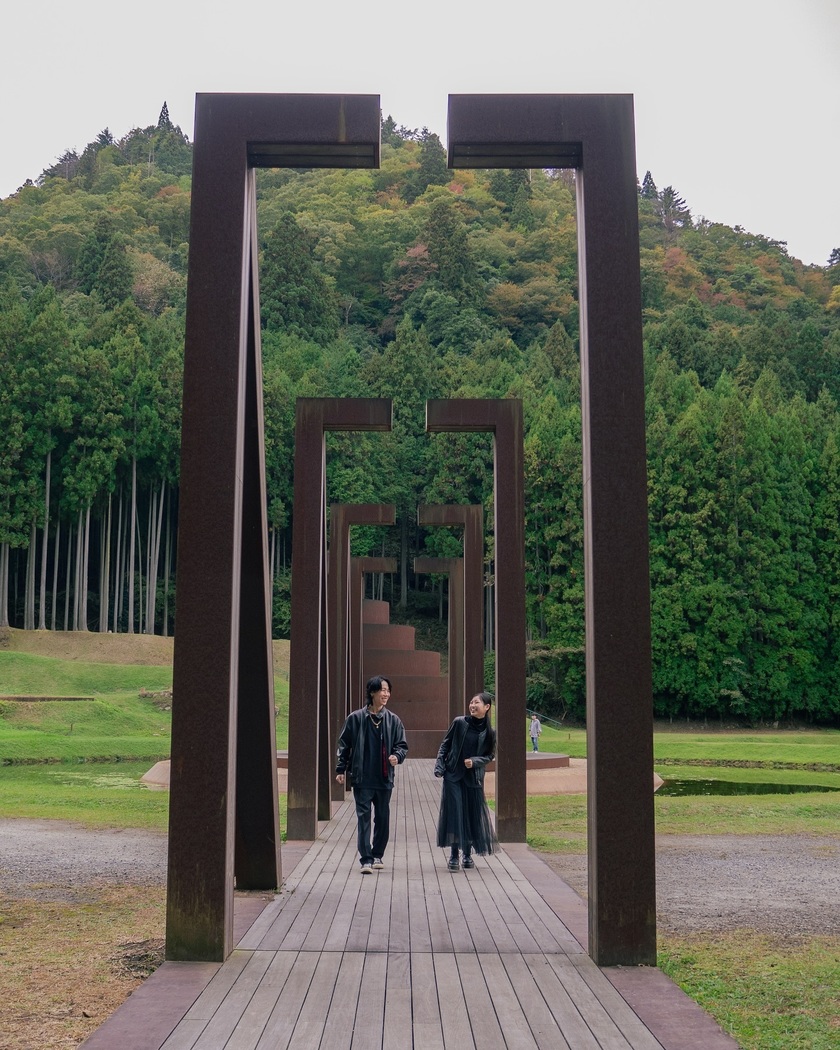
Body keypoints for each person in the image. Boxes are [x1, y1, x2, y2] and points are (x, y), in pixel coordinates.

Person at [335, 674, 408, 874]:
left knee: (383, 818)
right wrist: (341, 769)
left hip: (384, 778)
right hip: (362, 778)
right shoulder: (356, 718)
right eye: (382, 690)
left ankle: (378, 855)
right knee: (364, 818)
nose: (386, 694)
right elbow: (344, 745)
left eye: (388, 690)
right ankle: (366, 859)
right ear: (372, 692)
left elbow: (402, 745)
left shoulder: (393, 720)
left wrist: (397, 756)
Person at [434, 692, 498, 871]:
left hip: (474, 778)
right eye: (471, 702)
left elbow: (490, 756)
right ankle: (454, 856)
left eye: (476, 702)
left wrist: (475, 761)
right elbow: (445, 745)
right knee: (455, 813)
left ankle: (467, 855)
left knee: (471, 815)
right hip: (453, 776)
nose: (472, 705)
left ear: (487, 707)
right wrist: (440, 766)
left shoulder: (490, 732)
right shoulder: (460, 723)